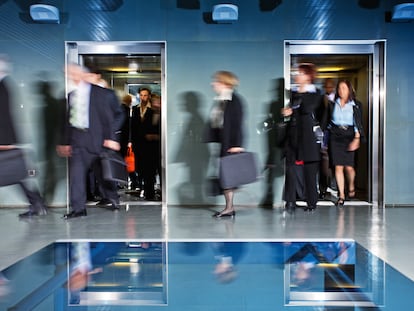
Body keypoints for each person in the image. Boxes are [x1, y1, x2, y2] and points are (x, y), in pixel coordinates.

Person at [57, 63, 124, 218]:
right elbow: (68, 121)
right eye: (69, 73)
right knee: (76, 175)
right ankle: (78, 209)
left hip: (101, 141)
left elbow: (119, 115)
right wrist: (65, 142)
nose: (71, 76)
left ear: (83, 74)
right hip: (78, 141)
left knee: (103, 174)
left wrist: (112, 137)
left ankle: (113, 197)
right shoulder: (71, 95)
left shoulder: (105, 94)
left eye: (74, 73)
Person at [0, 54, 47, 218]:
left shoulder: (3, 86)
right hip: (6, 139)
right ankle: (37, 203)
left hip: (4, 139)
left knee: (18, 174)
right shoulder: (5, 85)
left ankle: (37, 203)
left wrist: (5, 141)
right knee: (18, 174)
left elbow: (3, 116)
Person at [281, 63, 325, 212]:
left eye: (299, 73)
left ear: (308, 76)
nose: (296, 75)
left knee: (309, 172)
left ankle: (311, 202)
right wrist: (289, 112)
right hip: (293, 136)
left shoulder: (315, 93)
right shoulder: (294, 93)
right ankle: (290, 201)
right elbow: (296, 112)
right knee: (291, 169)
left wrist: (300, 95)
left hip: (309, 138)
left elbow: (307, 109)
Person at [204, 71, 245, 218]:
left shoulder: (234, 100)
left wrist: (237, 144)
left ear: (224, 83)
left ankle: (229, 208)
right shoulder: (222, 100)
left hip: (231, 144)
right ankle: (229, 207)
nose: (213, 84)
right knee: (226, 176)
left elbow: (238, 125)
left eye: (216, 81)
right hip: (224, 143)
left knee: (228, 176)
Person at [325, 79, 364, 206]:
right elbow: (327, 121)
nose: (341, 91)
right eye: (339, 88)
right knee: (338, 166)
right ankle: (341, 195)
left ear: (349, 90)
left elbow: (358, 123)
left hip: (349, 135)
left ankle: (351, 186)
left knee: (349, 167)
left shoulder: (356, 104)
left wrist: (357, 138)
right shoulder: (332, 104)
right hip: (335, 136)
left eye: (344, 88)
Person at [130, 87, 152, 198]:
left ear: (149, 96)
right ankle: (140, 185)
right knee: (138, 165)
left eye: (145, 95)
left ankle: (147, 188)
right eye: (141, 95)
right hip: (138, 142)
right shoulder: (135, 109)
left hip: (149, 143)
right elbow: (132, 126)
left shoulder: (153, 110)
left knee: (148, 166)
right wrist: (131, 141)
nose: (143, 97)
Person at [142, 93, 162, 200]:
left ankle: (164, 193)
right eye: (154, 102)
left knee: (161, 170)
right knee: (149, 172)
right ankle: (149, 194)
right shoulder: (148, 114)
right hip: (149, 148)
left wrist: (157, 137)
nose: (156, 105)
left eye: (158, 102)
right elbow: (142, 130)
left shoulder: (165, 115)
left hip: (161, 148)